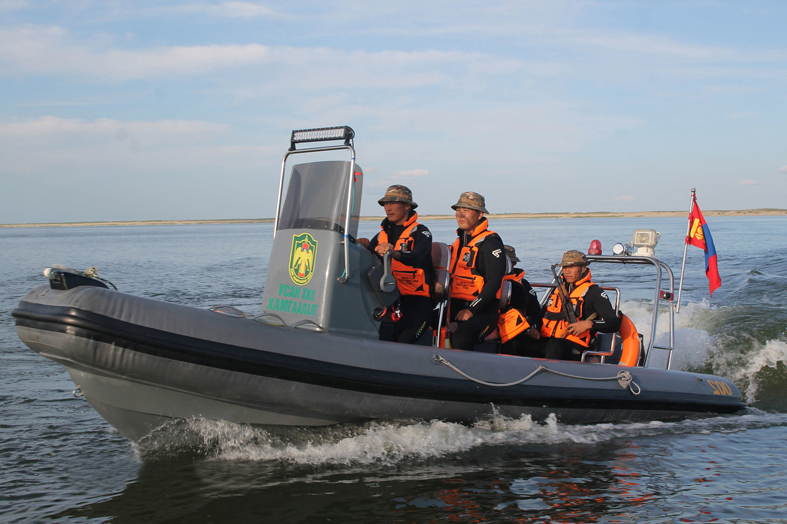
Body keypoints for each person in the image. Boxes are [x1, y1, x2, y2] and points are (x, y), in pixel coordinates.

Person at [358, 185, 434, 343]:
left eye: (393, 203)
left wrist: (396, 253)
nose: (388, 208)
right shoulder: (382, 234)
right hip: (388, 299)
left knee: (402, 340)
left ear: (407, 206)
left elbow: (417, 257)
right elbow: (371, 259)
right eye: (385, 203)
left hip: (416, 301)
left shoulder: (421, 232)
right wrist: (362, 248)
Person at [447, 192, 506, 351]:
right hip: (455, 304)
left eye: (466, 210)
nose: (460, 214)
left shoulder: (491, 243)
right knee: (425, 320)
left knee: (463, 335)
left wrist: (471, 309)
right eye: (458, 210)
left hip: (483, 309)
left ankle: (463, 372)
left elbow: (494, 282)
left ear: (480, 214)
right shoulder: (459, 242)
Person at [539, 250, 621, 361]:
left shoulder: (594, 293)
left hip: (577, 347)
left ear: (583, 269)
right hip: (549, 340)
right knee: (520, 341)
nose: (567, 271)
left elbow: (614, 323)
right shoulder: (558, 291)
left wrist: (589, 324)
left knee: (555, 345)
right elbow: (543, 314)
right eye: (564, 267)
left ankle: (548, 376)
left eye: (572, 267)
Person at [497, 245, 543, 356]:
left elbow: (535, 311)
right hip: (492, 327)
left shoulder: (523, 285)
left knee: (514, 343)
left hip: (515, 330)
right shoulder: (487, 282)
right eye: (502, 261)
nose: (505, 265)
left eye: (509, 262)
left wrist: (533, 328)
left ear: (514, 264)